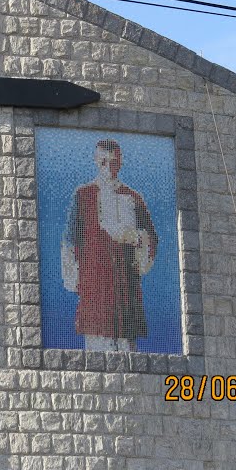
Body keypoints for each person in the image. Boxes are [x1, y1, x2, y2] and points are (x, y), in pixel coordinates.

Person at [61, 139, 158, 352]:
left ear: (120, 162)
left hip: (125, 286)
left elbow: (150, 238)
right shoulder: (83, 195)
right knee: (97, 351)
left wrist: (137, 239)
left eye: (113, 162)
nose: (108, 167)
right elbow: (70, 241)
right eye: (103, 161)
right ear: (96, 161)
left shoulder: (133, 198)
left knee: (128, 353)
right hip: (95, 287)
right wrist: (74, 278)